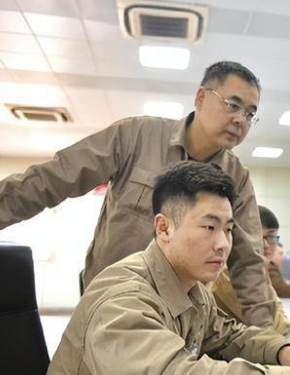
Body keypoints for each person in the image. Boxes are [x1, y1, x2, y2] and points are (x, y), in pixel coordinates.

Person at [39, 161, 290, 375]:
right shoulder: (123, 298)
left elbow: (228, 336)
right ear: (164, 228)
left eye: (228, 229)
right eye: (209, 227)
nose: (223, 243)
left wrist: (280, 351)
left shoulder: (191, 287)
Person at [0, 61, 275, 327]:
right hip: (109, 307)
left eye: (250, 114)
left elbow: (249, 264)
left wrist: (269, 341)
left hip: (179, 320)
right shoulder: (135, 136)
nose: (240, 120)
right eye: (233, 105)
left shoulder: (237, 179)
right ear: (201, 98)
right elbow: (50, 180)